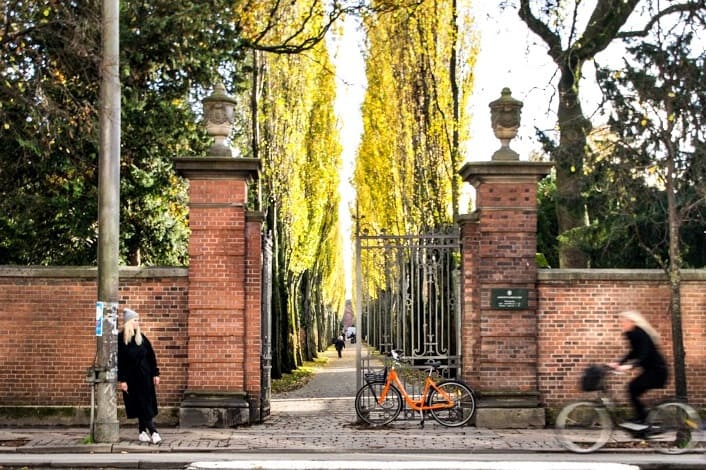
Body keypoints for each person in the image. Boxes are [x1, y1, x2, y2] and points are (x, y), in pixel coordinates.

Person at [608, 310, 668, 430]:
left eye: (624, 322)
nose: (622, 324)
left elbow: (644, 354)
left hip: (658, 371)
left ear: (632, 322)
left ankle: (643, 419)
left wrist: (630, 366)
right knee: (633, 390)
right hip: (650, 371)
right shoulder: (631, 334)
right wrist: (618, 363)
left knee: (632, 388)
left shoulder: (641, 334)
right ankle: (642, 419)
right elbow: (633, 352)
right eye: (621, 322)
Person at [118, 308, 162, 444]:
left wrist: (155, 373)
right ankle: (153, 431)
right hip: (132, 379)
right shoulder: (121, 339)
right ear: (129, 322)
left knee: (145, 404)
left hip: (146, 377)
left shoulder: (141, 337)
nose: (138, 322)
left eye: (138, 320)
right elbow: (120, 361)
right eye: (135, 320)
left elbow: (151, 356)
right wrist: (122, 380)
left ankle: (142, 431)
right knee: (141, 405)